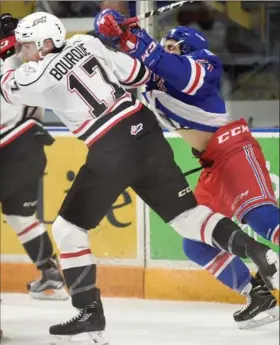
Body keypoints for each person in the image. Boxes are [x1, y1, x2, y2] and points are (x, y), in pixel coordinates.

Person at [1, 12, 278, 344]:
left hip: (110, 145)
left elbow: (10, 89)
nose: (25, 51)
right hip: (145, 132)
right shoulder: (87, 42)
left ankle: (90, 315)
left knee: (67, 228)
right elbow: (136, 73)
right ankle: (257, 252)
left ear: (46, 43)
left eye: (29, 45)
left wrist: (6, 55)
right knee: (187, 217)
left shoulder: (38, 71)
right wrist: (108, 46)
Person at [94, 11, 280, 330]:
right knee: (195, 241)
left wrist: (139, 41)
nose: (164, 49)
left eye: (170, 45)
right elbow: (129, 70)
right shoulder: (160, 72)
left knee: (261, 218)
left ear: (186, 46)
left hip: (233, 148)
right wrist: (113, 39)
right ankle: (258, 294)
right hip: (210, 162)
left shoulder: (205, 63)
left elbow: (182, 76)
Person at [0, 13, 67, 301]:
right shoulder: (38, 64)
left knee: (20, 215)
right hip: (32, 148)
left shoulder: (14, 68)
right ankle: (50, 274)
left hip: (8, 147)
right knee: (20, 215)